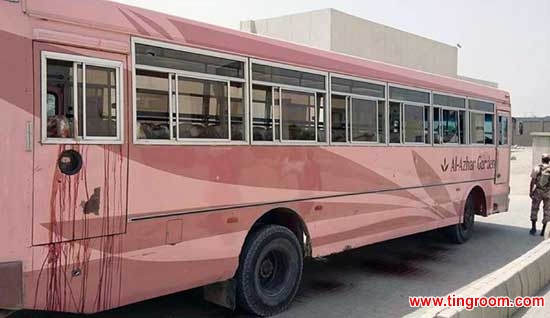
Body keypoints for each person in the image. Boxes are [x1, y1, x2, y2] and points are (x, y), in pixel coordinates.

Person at [529, 153, 550, 236]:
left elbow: (532, 181)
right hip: (548, 192)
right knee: (547, 210)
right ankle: (544, 230)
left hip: (538, 191)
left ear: (542, 159)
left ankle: (533, 228)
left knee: (534, 209)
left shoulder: (537, 168)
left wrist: (531, 191)